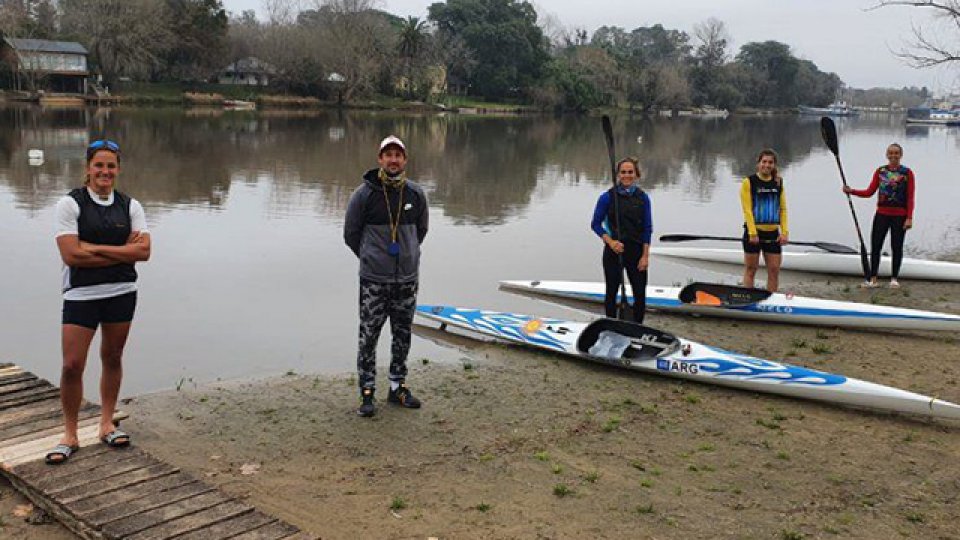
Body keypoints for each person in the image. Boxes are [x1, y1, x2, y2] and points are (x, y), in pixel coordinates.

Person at [47, 139, 151, 464]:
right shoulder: (70, 204)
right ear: (88, 168)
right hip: (81, 295)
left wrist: (93, 248)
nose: (105, 171)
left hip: (121, 293)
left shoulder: (130, 206)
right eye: (99, 165)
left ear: (118, 169)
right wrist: (121, 254)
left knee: (113, 356)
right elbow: (70, 255)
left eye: (111, 166)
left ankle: (106, 424)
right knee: (72, 365)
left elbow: (144, 252)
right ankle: (70, 433)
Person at [344, 135, 429, 418]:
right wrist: (372, 258)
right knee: (368, 337)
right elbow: (351, 235)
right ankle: (367, 392)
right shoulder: (363, 195)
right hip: (374, 281)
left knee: (402, 335)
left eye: (398, 155)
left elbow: (421, 232)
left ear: (405, 160)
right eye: (388, 154)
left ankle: (397, 388)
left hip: (406, 280)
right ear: (380, 159)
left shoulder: (416, 195)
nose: (393, 160)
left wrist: (406, 256)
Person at [843, 143, 915, 289]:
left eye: (896, 153)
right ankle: (873, 278)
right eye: (891, 153)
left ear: (900, 155)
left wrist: (909, 217)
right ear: (887, 155)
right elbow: (869, 192)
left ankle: (894, 278)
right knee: (876, 246)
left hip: (900, 216)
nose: (893, 156)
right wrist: (852, 191)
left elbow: (910, 197)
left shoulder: (907, 173)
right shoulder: (880, 171)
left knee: (897, 247)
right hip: (882, 214)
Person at [590, 157, 652, 322]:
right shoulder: (607, 198)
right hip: (614, 251)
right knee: (611, 291)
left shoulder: (643, 198)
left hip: (636, 252)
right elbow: (595, 224)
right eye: (623, 172)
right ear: (618, 175)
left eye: (630, 172)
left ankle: (638, 326)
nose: (627, 176)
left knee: (640, 293)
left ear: (636, 175)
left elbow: (647, 228)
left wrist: (645, 256)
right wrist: (610, 242)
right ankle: (611, 324)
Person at [741, 148, 788, 292]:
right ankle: (747, 297)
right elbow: (747, 210)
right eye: (764, 162)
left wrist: (784, 232)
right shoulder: (749, 182)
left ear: (774, 165)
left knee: (774, 271)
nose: (767, 165)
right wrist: (753, 233)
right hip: (753, 233)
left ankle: (771, 300)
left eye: (770, 163)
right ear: (758, 163)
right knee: (751, 269)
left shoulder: (778, 183)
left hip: (773, 234)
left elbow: (783, 210)